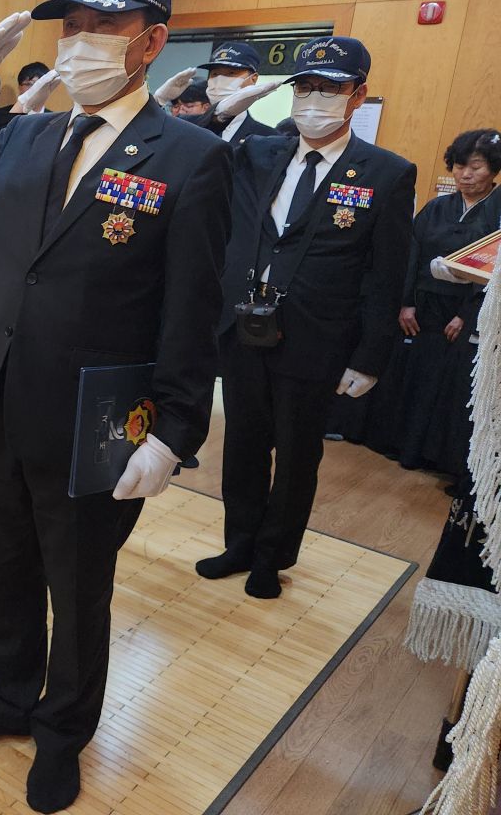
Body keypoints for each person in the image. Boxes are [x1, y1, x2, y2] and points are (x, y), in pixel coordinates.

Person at [0, 0, 232, 812]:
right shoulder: (24, 133)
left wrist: (174, 431)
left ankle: (62, 733)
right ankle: (9, 695)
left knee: (79, 588)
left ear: (151, 41)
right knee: (1, 568)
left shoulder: (190, 157)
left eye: (105, 24)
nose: (82, 39)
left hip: (99, 418)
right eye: (73, 24)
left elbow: (192, 307)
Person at [199, 36, 416, 599]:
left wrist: (370, 357)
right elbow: (200, 151)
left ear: (357, 95)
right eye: (306, 88)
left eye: (330, 89)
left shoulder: (386, 172)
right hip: (245, 327)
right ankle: (239, 543)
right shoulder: (259, 152)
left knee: (297, 455)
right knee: (242, 445)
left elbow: (386, 274)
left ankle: (272, 557)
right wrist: (227, 109)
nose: (315, 100)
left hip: (316, 338)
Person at [394, 129, 501, 480]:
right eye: (458, 166)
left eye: (476, 167)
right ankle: (404, 447)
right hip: (424, 307)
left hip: (467, 314)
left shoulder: (496, 212)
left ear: (493, 170)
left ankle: (439, 457)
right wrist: (406, 303)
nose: (465, 175)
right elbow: (411, 254)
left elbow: (493, 273)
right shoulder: (437, 207)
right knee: (417, 374)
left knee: (449, 385)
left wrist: (466, 315)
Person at [0, 60, 51, 132]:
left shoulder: (55, 119)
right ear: (19, 88)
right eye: (29, 84)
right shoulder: (1, 115)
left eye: (39, 84)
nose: (34, 89)